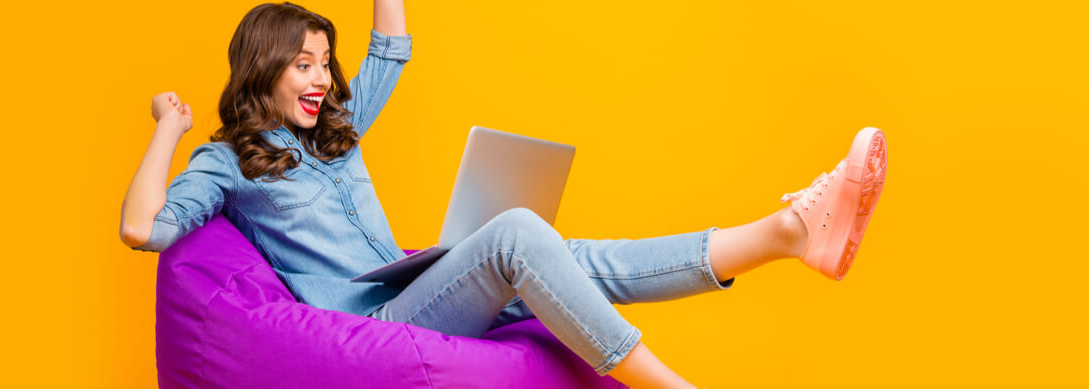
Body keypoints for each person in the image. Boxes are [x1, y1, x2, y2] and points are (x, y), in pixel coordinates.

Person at [119, 2, 888, 388]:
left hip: (414, 282)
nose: (322, 79)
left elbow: (392, 48)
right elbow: (143, 229)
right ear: (263, 68)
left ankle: (789, 231)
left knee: (573, 257)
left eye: (326, 63)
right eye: (303, 65)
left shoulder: (335, 134)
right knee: (520, 234)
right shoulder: (228, 161)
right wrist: (169, 126)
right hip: (375, 319)